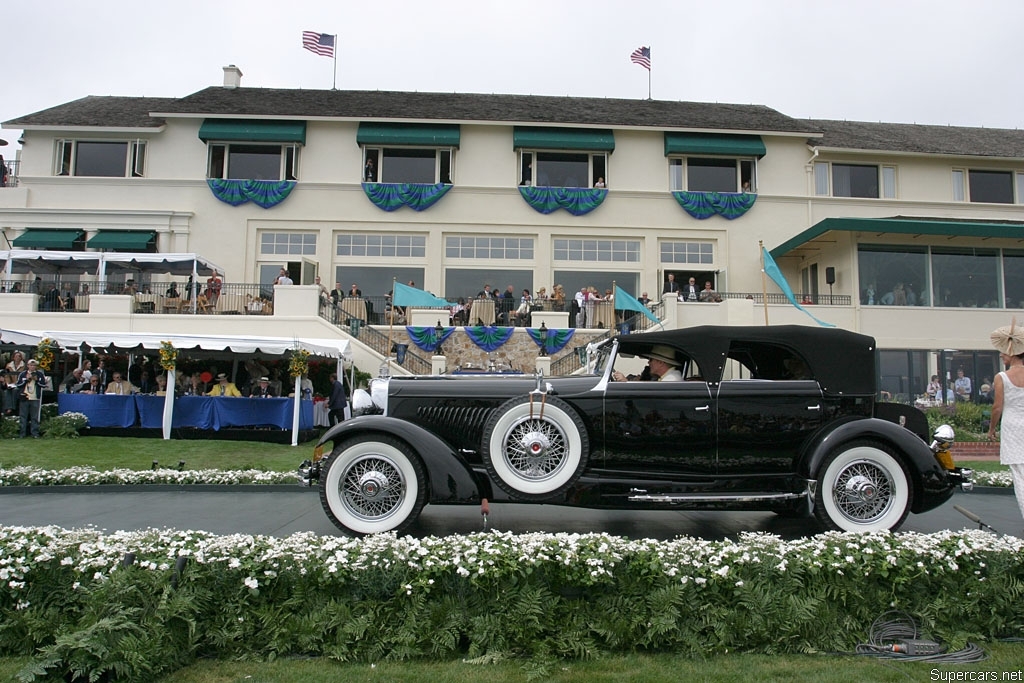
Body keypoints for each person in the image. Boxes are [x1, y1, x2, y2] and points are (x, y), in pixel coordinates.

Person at [987, 320, 1024, 523]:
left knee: (1019, 475)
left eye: (1003, 352)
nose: (1001, 355)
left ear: (1011, 352)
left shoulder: (1002, 376)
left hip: (1012, 427)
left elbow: (997, 407)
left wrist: (992, 429)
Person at [612, 345, 683, 382]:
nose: (648, 362)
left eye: (651, 360)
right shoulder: (668, 377)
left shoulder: (671, 380)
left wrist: (626, 382)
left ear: (661, 362)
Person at [15, 359, 46, 438]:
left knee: (34, 417)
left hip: (35, 398)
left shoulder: (39, 374)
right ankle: (22, 434)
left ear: (36, 367)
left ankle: (34, 433)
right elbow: (18, 385)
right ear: (28, 366)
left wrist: (37, 380)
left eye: (34, 365)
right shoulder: (23, 374)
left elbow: (43, 385)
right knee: (23, 416)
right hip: (24, 397)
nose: (32, 367)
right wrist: (26, 380)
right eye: (31, 365)